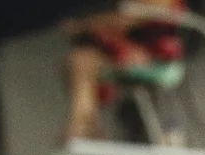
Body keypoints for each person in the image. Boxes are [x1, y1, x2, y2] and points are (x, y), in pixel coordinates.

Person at [61, 0, 189, 142]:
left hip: (158, 60)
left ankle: (85, 127)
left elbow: (127, 19)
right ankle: (86, 126)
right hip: (127, 54)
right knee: (80, 60)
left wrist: (84, 25)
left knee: (85, 58)